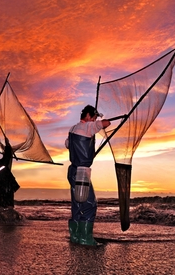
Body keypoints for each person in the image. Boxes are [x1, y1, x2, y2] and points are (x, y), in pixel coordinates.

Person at [65, 105, 111, 246]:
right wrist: (95, 122)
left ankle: (76, 236)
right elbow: (106, 123)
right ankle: (86, 238)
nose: (96, 120)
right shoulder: (88, 127)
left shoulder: (73, 129)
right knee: (90, 204)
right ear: (89, 116)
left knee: (77, 203)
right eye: (94, 117)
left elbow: (67, 144)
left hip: (72, 171)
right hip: (82, 172)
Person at [0, 137, 20, 210]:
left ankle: (0, 218)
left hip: (1, 188)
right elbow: (7, 157)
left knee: (2, 205)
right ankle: (11, 218)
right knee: (10, 205)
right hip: (7, 187)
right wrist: (7, 145)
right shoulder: (0, 164)